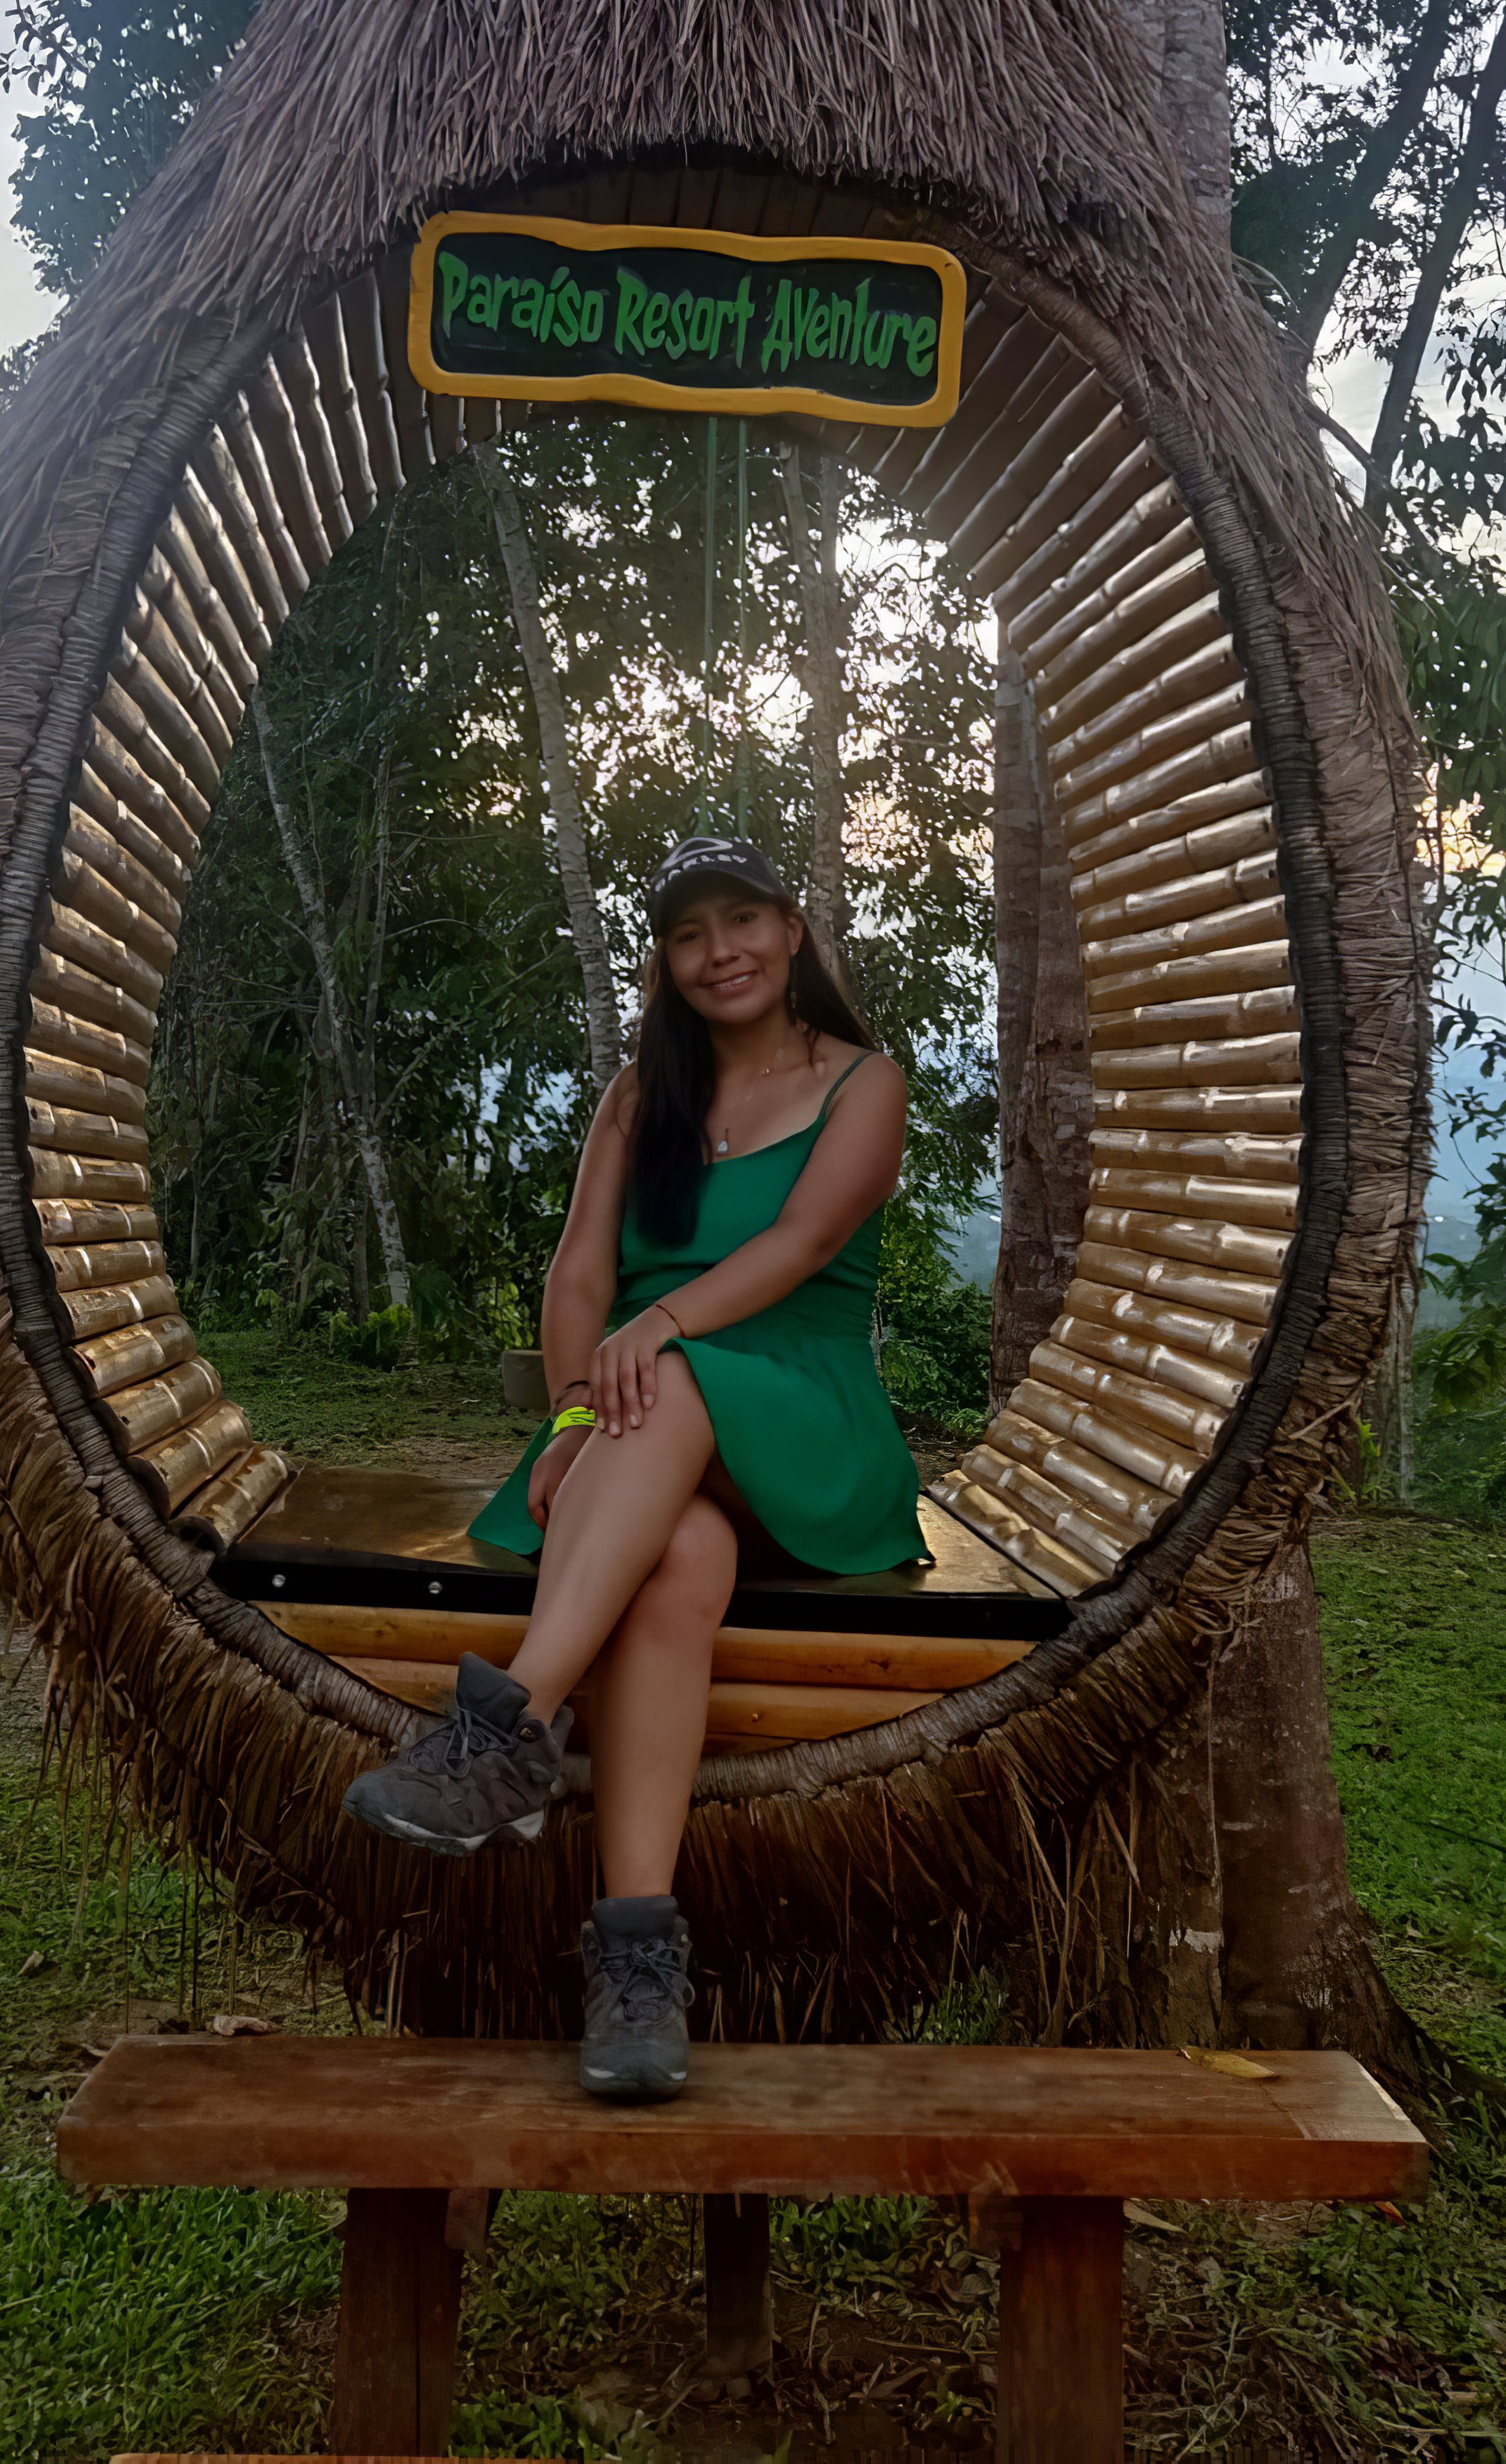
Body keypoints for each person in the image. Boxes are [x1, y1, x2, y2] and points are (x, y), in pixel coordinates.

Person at [342, 830, 922, 2096]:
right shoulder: (637, 1095)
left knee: (669, 1382)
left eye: (743, 920)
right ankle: (638, 1959)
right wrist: (564, 1420)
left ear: (793, 929)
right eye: (688, 933)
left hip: (805, 1416)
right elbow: (580, 1280)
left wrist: (654, 1332)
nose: (721, 952)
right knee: (681, 1562)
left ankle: (506, 1725)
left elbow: (807, 1241)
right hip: (630, 1430)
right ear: (665, 960)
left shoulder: (862, 1079)